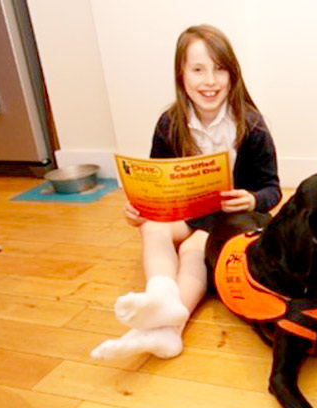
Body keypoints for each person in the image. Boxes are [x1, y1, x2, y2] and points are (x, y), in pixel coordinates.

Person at [91, 24, 280, 360]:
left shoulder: (250, 125)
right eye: (198, 69)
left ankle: (171, 329)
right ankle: (160, 294)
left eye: (219, 69)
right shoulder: (169, 123)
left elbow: (272, 190)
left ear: (232, 75)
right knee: (151, 226)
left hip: (231, 221)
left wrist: (252, 199)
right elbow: (155, 182)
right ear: (181, 76)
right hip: (189, 213)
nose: (210, 81)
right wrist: (139, 209)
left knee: (194, 248)